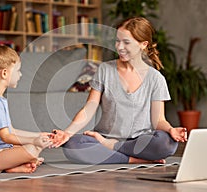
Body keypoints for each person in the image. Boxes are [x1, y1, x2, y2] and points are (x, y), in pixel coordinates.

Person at [52, 17, 187, 164]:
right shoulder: (104, 70)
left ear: (143, 44)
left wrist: (171, 130)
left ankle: (114, 148)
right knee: (72, 145)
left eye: (126, 42)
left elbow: (158, 120)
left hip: (139, 141)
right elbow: (89, 108)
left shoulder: (156, 78)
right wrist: (67, 132)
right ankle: (133, 159)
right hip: (104, 137)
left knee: (167, 143)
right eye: (117, 41)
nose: (119, 47)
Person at [0, 45, 54, 173]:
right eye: (18, 70)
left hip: (1, 150)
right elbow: (6, 136)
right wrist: (34, 141)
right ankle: (12, 164)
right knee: (32, 149)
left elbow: (11, 130)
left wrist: (38, 135)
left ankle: (13, 166)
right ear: (4, 73)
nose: (20, 75)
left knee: (34, 146)